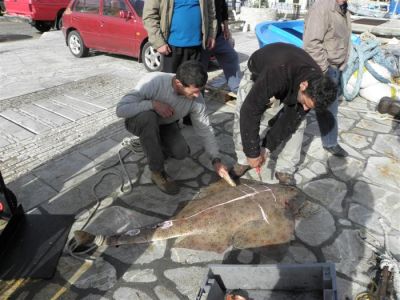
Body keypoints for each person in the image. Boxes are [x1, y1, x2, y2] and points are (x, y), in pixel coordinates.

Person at [116, 61, 229, 195]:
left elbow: (205, 129)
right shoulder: (154, 81)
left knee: (181, 152)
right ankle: (156, 171)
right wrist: (153, 104)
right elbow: (121, 109)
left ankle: (153, 144)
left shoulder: (196, 99)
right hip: (139, 121)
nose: (198, 95)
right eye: (195, 91)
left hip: (165, 123)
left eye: (200, 90)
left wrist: (216, 159)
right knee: (148, 119)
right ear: (178, 84)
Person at [231, 43, 337, 186]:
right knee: (242, 117)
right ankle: (243, 160)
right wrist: (252, 152)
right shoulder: (277, 73)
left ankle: (285, 169)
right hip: (260, 72)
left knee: (298, 122)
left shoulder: (317, 83)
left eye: (309, 107)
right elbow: (250, 111)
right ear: (304, 85)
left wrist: (266, 149)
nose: (305, 108)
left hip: (290, 73)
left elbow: (287, 120)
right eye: (306, 103)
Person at [303, 0, 351, 157]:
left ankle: (329, 142)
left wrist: (342, 65)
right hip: (325, 68)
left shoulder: (344, 9)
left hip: (337, 68)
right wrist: (325, 70)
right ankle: (330, 143)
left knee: (319, 107)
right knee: (327, 109)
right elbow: (311, 43)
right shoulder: (322, 7)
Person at [142, 0, 217, 73]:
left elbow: (211, 12)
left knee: (192, 84)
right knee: (171, 83)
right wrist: (159, 42)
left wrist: (211, 34)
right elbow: (149, 16)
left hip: (198, 47)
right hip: (171, 48)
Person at [201, 0, 241, 94]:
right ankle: (199, 94)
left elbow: (223, 9)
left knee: (231, 56)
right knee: (201, 67)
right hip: (203, 37)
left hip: (217, 35)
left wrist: (226, 29)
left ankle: (236, 88)